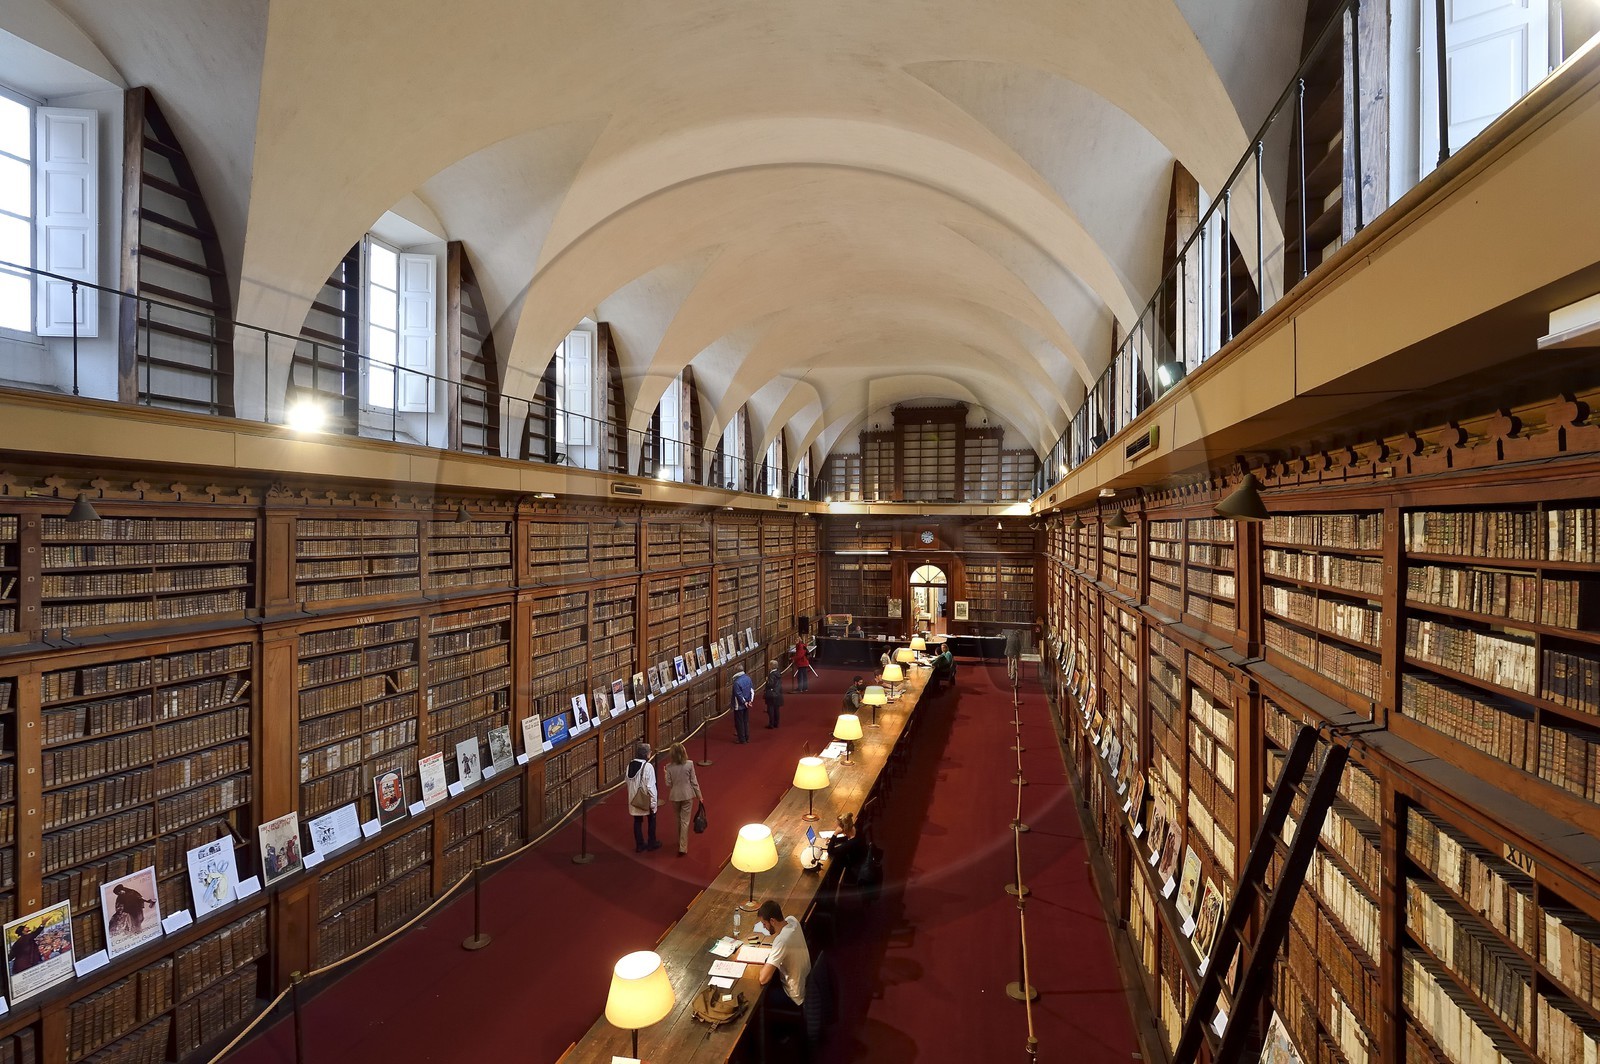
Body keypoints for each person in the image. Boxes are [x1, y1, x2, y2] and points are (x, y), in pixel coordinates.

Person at [755, 899, 810, 1009]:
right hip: (806, 982)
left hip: (794, 996)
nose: (764, 927)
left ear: (772, 921)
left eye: (764, 924)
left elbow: (763, 978)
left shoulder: (782, 941)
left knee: (760, 997)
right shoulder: (792, 920)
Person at [662, 743, 702, 858]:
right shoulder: (689, 764)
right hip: (687, 795)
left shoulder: (669, 767)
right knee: (685, 821)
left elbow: (668, 784)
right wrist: (699, 795)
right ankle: (682, 847)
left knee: (678, 819)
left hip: (675, 796)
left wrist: (665, 774)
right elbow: (694, 781)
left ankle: (680, 841)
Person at [626, 741, 661, 852]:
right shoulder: (648, 767)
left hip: (634, 799)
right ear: (647, 754)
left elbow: (627, 782)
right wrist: (654, 804)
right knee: (651, 820)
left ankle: (639, 845)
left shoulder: (629, 765)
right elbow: (651, 787)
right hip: (646, 799)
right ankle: (652, 842)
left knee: (637, 822)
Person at [827, 811, 868, 884]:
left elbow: (830, 851)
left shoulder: (850, 844)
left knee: (834, 862)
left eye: (838, 827)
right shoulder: (855, 830)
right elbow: (847, 838)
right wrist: (834, 840)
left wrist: (835, 834)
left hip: (853, 868)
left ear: (843, 829)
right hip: (861, 859)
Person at [731, 668, 755, 743]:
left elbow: (738, 694)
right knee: (745, 721)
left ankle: (742, 739)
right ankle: (747, 737)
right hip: (747, 703)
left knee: (739, 722)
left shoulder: (736, 682)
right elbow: (752, 691)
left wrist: (744, 702)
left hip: (739, 705)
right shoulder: (748, 678)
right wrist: (750, 701)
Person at [763, 660, 784, 729]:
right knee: (776, 709)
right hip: (778, 693)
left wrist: (767, 681)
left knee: (770, 709)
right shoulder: (778, 673)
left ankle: (771, 724)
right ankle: (776, 723)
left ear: (771, 666)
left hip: (772, 694)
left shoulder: (771, 674)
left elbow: (770, 684)